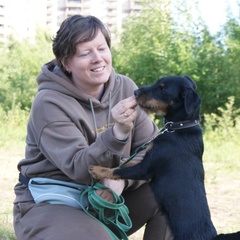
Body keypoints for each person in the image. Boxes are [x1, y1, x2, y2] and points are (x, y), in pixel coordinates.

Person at [13, 15, 173, 240]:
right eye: (85, 53)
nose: (98, 59)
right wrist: (117, 134)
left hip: (105, 197)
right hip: (52, 202)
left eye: (102, 48)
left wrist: (123, 179)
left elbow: (156, 150)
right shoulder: (48, 103)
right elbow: (79, 169)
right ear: (66, 63)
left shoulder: (125, 86)